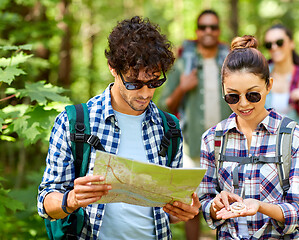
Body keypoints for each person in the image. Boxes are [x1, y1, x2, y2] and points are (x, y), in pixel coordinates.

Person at [37, 16, 200, 240]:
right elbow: (45, 202)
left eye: (154, 82)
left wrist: (183, 211)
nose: (145, 93)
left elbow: (168, 212)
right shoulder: (74, 122)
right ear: (113, 68)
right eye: (134, 83)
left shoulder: (169, 127)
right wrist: (72, 199)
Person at [198, 35, 299, 239]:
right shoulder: (212, 139)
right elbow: (205, 200)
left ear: (268, 85)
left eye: (253, 95)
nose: (243, 104)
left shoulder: (298, 139)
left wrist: (260, 206)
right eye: (232, 96)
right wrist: (215, 204)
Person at [158, 9, 232, 240]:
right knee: (191, 206)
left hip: (229, 147)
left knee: (230, 204)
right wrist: (182, 87)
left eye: (213, 27)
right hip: (192, 148)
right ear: (197, 31)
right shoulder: (184, 64)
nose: (208, 31)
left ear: (219, 31)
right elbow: (163, 107)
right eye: (203, 27)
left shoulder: (230, 63)